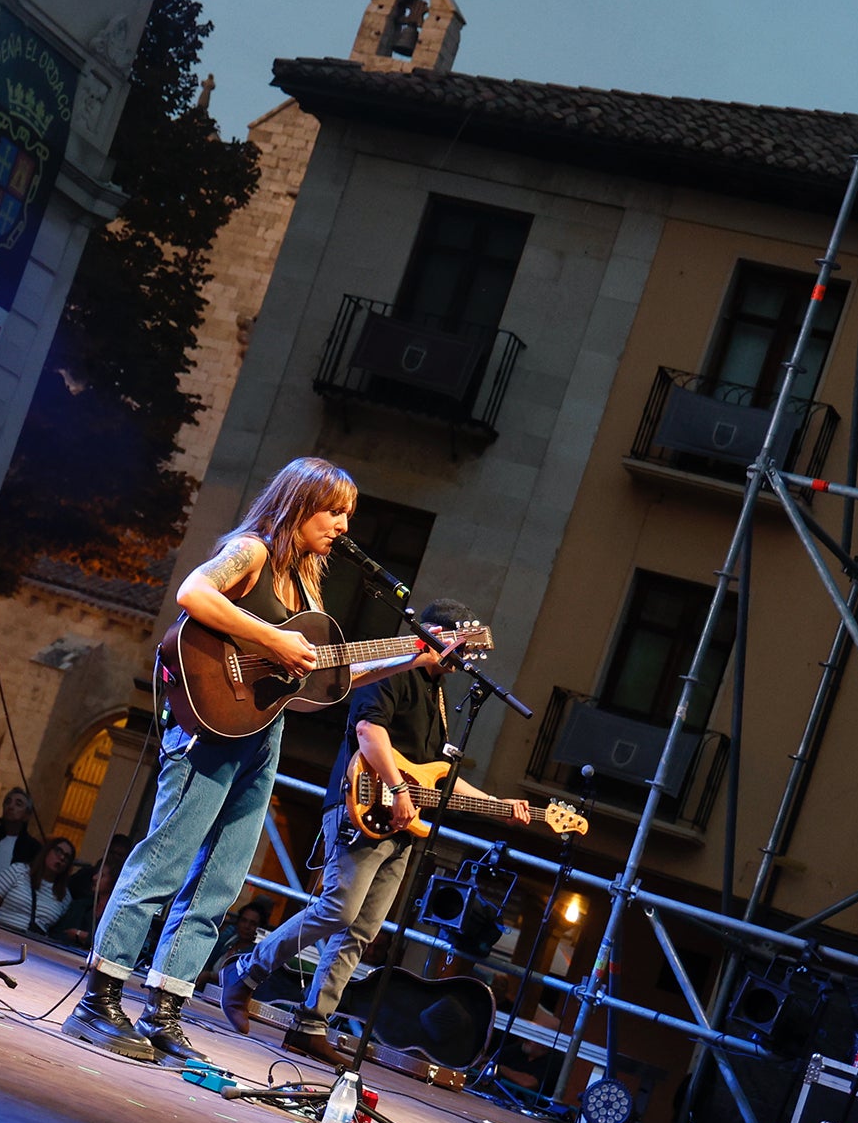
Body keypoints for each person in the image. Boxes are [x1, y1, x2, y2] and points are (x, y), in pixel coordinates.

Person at [61, 457, 432, 1065]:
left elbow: (325, 681)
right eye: (332, 512)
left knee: (224, 877)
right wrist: (272, 638)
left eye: (347, 516)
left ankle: (165, 1009)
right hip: (205, 726)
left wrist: (411, 658)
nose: (342, 526)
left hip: (263, 734)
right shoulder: (252, 551)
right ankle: (97, 1001)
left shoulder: (307, 586)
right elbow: (192, 592)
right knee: (165, 859)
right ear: (298, 504)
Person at [217, 598, 531, 1068]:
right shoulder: (396, 669)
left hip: (401, 823)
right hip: (360, 808)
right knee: (336, 910)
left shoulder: (436, 695)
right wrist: (397, 787)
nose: (461, 656)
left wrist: (497, 808)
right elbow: (369, 731)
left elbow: (439, 775)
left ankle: (312, 1024)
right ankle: (245, 970)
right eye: (456, 642)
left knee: (362, 930)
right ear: (434, 633)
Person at [0, 836, 77, 932]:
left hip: (33, 945)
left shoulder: (65, 896)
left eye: (67, 857)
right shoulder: (18, 871)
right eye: (58, 851)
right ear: (47, 851)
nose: (62, 857)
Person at [201, 899, 270, 986]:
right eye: (244, 920)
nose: (246, 926)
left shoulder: (257, 953)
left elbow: (240, 980)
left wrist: (210, 976)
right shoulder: (228, 939)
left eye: (253, 923)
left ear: (260, 928)